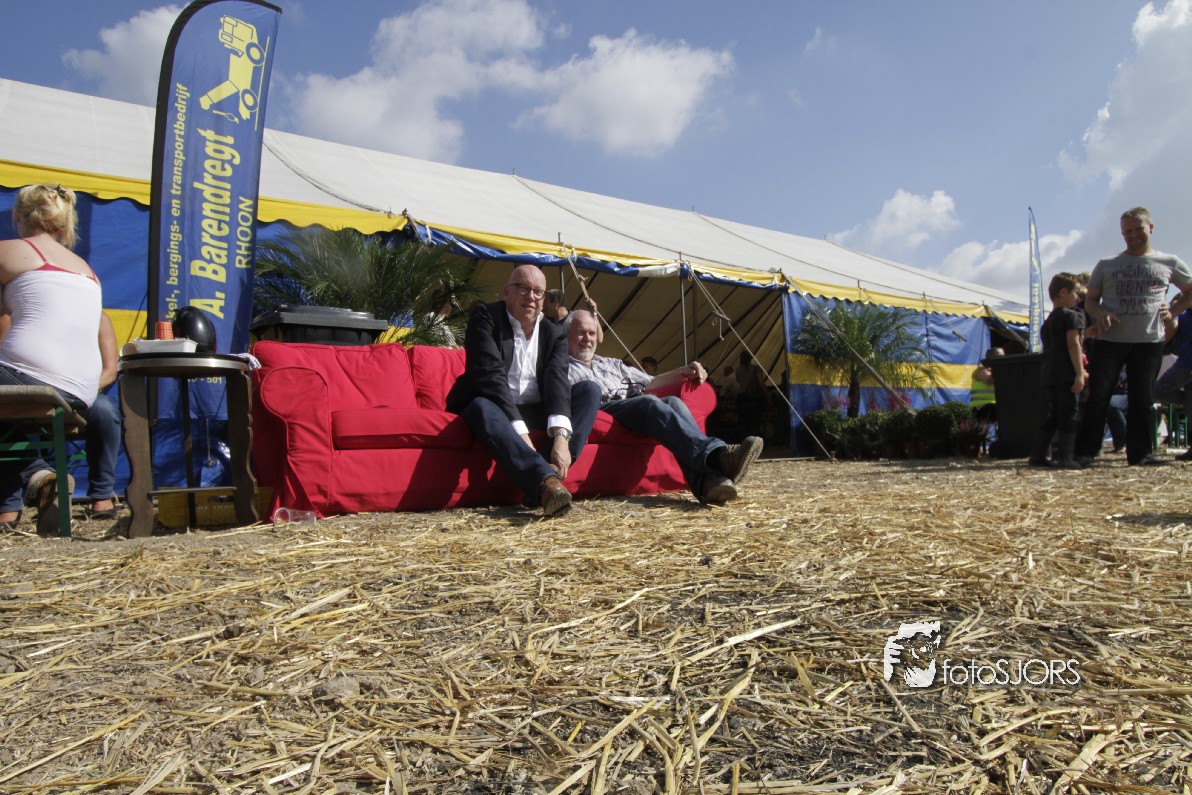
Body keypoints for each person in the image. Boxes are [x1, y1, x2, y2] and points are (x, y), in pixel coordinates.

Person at [446, 265, 601, 516]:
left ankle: (550, 471)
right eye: (523, 288)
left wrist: (561, 437)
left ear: (544, 299)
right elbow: (490, 377)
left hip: (533, 408)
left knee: (589, 390)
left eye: (538, 292)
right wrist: (521, 434)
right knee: (481, 405)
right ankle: (544, 482)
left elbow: (557, 381)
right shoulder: (486, 317)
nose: (531, 297)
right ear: (507, 291)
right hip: (492, 404)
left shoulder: (553, 332)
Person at [565, 310, 763, 505]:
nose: (588, 338)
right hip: (603, 408)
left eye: (592, 333)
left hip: (632, 406)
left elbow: (650, 381)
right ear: (567, 334)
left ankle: (708, 482)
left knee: (674, 402)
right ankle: (717, 457)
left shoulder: (612, 364)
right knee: (648, 402)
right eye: (581, 332)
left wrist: (684, 371)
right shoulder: (561, 367)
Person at [0, 184, 104, 533]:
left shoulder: (10, 251)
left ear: (18, 217)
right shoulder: (85, 268)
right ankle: (23, 495)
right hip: (84, 390)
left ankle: (35, 476)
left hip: (34, 376)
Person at [1075, 207, 1192, 466]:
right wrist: (1101, 313)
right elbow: (1090, 301)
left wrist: (1173, 311)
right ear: (1122, 234)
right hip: (1110, 341)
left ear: (1151, 228)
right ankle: (1085, 453)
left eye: (1138, 229)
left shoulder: (1170, 262)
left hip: (1149, 341)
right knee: (1099, 396)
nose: (1133, 235)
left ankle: (1141, 454)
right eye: (1127, 231)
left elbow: (1189, 290)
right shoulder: (1107, 264)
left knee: (1143, 399)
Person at [1029, 274, 1087, 468]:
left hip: (1050, 373)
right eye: (1075, 292)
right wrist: (1079, 373)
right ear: (1064, 292)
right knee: (1069, 413)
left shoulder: (1048, 321)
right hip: (1066, 372)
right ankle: (1067, 457)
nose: (1077, 297)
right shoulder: (1072, 316)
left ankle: (1037, 455)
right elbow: (1073, 345)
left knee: (1054, 414)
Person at [1153, 303, 1192, 460]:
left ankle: (1186, 401)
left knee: (1155, 392)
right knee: (1190, 403)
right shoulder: (1184, 316)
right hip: (1186, 362)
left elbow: (1166, 336)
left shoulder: (1181, 318)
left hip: (1187, 364)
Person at [970, 347, 1003, 424]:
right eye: (1000, 356)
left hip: (994, 406)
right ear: (991, 357)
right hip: (981, 407)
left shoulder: (998, 372)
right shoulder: (981, 370)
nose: (1003, 358)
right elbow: (988, 380)